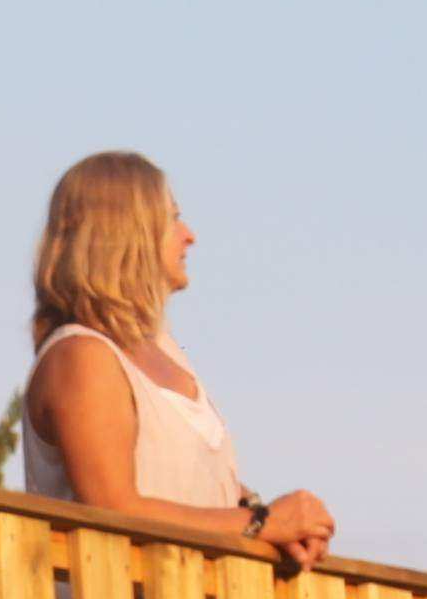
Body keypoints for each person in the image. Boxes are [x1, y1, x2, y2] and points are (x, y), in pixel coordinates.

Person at [18, 151, 338, 571]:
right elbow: (113, 507)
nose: (189, 235)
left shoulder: (164, 350)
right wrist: (259, 523)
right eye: (172, 219)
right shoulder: (81, 356)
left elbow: (183, 483)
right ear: (127, 233)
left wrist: (283, 525)